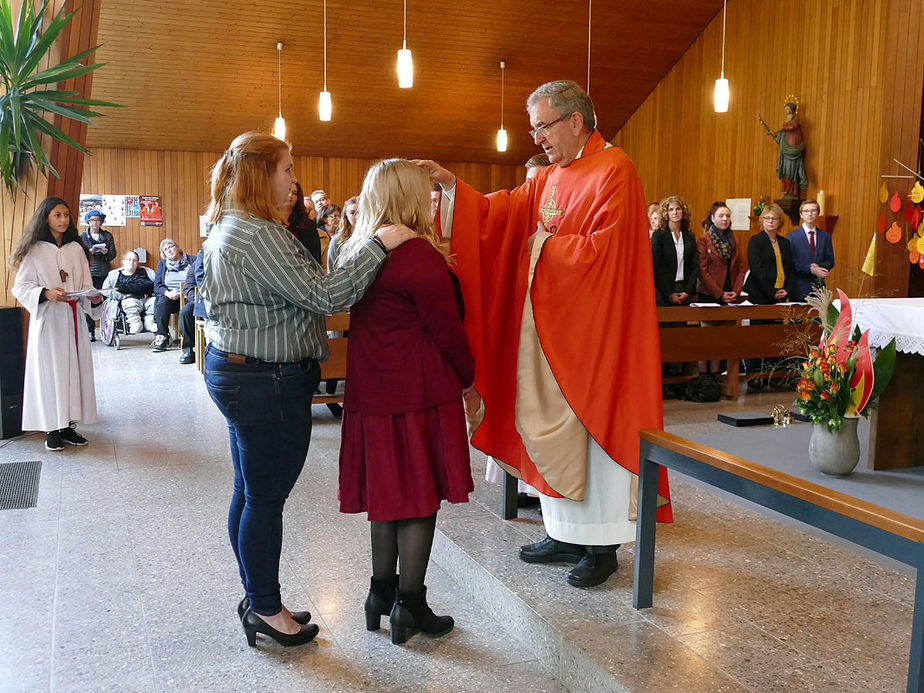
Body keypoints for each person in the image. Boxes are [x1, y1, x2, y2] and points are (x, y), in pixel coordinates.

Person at [419, 80, 672, 589]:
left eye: (542, 127)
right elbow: (505, 213)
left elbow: (609, 254)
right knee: (546, 428)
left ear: (575, 121)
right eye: (533, 128)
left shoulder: (615, 170)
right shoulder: (552, 175)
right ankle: (563, 533)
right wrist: (454, 188)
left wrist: (541, 250)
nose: (537, 139)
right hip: (547, 328)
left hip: (594, 335)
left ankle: (600, 547)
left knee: (590, 431)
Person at [200, 131, 413, 648]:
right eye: (287, 169)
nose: (294, 180)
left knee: (250, 491)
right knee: (265, 497)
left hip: (243, 370)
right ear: (260, 174)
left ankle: (258, 595)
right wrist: (380, 245)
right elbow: (327, 294)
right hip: (264, 379)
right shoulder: (256, 233)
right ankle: (267, 609)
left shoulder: (234, 225)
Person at [336, 159, 474, 645]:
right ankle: (410, 604)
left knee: (386, 497)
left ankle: (380, 592)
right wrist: (468, 374)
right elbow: (445, 329)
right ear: (412, 198)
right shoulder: (419, 256)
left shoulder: (358, 250)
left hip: (372, 394)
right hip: (418, 395)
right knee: (418, 500)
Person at [10, 197, 103, 451]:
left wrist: (92, 296)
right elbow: (21, 287)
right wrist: (45, 292)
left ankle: (67, 426)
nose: (63, 220)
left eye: (66, 215)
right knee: (51, 374)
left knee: (73, 372)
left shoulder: (76, 248)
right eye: (57, 215)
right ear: (46, 218)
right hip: (49, 321)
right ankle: (52, 429)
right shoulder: (35, 249)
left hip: (73, 320)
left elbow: (85, 284)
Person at [744, 203, 799, 305]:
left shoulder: (785, 242)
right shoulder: (755, 241)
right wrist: (772, 292)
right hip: (760, 295)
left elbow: (791, 269)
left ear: (780, 222)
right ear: (762, 220)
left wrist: (787, 290)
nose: (770, 221)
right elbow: (756, 270)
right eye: (767, 218)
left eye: (774, 218)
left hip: (781, 294)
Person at [651, 196, 699, 306]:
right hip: (664, 290)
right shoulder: (659, 236)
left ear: (683, 212)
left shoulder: (689, 236)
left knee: (681, 322)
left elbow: (695, 265)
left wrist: (688, 291)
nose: (675, 212)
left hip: (684, 289)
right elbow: (656, 266)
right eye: (671, 209)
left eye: (678, 209)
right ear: (665, 214)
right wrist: (669, 293)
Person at [697, 201, 745, 304]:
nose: (725, 219)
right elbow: (702, 271)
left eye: (727, 216)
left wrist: (736, 291)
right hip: (709, 295)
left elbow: (741, 268)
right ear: (713, 218)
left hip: (731, 294)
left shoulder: (733, 240)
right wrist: (720, 294)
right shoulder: (704, 240)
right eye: (721, 216)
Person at [79, 210, 116, 341]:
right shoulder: (82, 236)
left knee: (106, 301)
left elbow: (113, 255)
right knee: (88, 301)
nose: (95, 223)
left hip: (104, 271)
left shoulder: (107, 236)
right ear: (88, 222)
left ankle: (107, 330)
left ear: (101, 222)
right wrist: (89, 253)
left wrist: (106, 252)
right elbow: (77, 256)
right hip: (89, 272)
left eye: (98, 220)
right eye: (92, 220)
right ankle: (90, 330)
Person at [151, 238, 193, 352]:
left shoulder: (192, 260)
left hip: (189, 295)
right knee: (162, 302)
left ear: (178, 248)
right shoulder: (163, 264)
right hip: (172, 297)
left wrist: (186, 292)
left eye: (171, 246)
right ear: (163, 254)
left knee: (188, 309)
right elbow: (157, 285)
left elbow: (200, 279)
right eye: (165, 250)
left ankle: (188, 339)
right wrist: (168, 293)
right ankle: (162, 337)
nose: (169, 250)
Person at [787, 198, 834, 299]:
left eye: (813, 211)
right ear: (801, 214)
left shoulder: (825, 236)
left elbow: (830, 261)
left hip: (819, 288)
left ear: (818, 213)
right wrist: (810, 269)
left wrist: (818, 267)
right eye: (806, 211)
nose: (810, 214)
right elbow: (790, 263)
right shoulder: (791, 237)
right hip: (799, 288)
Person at [101, 250, 156, 334]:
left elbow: (156, 284)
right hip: (128, 299)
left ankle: (149, 323)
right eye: (129, 260)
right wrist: (122, 296)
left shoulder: (147, 272)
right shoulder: (115, 274)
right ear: (123, 261)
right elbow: (105, 290)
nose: (132, 262)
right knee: (130, 304)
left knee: (155, 302)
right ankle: (136, 324)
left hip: (147, 298)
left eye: (134, 260)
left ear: (138, 262)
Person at [769, 102, 807, 197]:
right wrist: (775, 134)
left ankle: (792, 189)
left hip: (793, 146)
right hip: (785, 148)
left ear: (792, 109)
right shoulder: (786, 122)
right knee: (785, 169)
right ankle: (787, 189)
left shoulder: (795, 119)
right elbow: (783, 131)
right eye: (785, 109)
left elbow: (792, 126)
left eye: (787, 109)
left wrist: (785, 126)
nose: (785, 110)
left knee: (792, 169)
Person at [178, 249, 204, 364]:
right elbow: (188, 289)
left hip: (219, 300)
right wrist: (199, 300)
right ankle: (188, 350)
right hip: (198, 300)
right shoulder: (195, 266)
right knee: (185, 312)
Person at [327, 195, 358, 269]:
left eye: (360, 212)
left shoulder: (372, 237)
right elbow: (331, 270)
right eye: (352, 213)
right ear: (346, 216)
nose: (357, 216)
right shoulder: (337, 240)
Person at [316, 204, 342, 271]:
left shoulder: (342, 234)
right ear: (324, 219)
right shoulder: (318, 234)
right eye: (334, 216)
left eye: (339, 216)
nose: (338, 219)